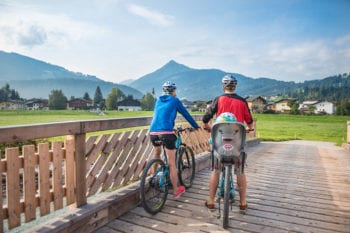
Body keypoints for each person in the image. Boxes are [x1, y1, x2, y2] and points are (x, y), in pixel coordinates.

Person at [202, 74, 254, 212]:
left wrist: (208, 127)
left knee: (215, 171)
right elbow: (249, 122)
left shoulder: (218, 99)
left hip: (220, 145)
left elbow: (205, 118)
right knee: (240, 171)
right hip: (237, 146)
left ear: (223, 86)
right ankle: (243, 202)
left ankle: (211, 201)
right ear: (235, 86)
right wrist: (249, 128)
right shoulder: (243, 102)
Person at [149, 81, 200, 199]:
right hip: (166, 132)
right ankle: (176, 190)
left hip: (153, 132)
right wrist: (196, 126)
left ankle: (153, 176)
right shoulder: (175, 100)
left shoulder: (158, 100)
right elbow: (186, 114)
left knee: (156, 154)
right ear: (173, 91)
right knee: (172, 164)